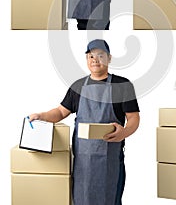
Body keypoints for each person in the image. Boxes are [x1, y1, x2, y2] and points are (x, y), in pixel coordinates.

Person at [29, 39, 140, 205]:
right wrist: (41, 115)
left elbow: (134, 118)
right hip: (83, 163)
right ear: (87, 60)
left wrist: (124, 132)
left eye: (100, 55)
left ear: (109, 58)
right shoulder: (78, 86)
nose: (95, 59)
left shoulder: (122, 85)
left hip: (110, 160)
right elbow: (60, 112)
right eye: (91, 56)